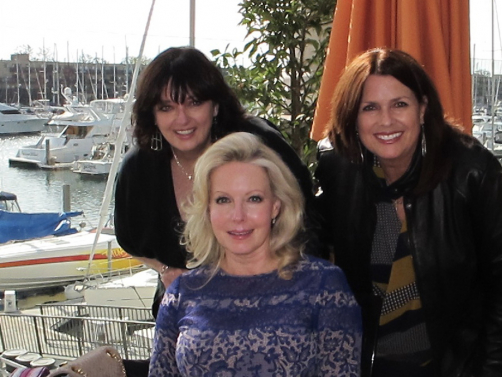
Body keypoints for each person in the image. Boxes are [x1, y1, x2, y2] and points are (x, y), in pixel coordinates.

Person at [114, 46, 322, 376]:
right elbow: (130, 240)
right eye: (166, 107)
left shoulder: (258, 146)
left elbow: (311, 227)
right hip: (189, 329)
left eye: (194, 102)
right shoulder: (139, 170)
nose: (181, 119)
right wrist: (165, 269)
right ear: (152, 115)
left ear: (215, 106)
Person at [314, 47, 502, 377]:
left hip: (456, 365)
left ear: (423, 108)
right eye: (369, 108)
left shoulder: (473, 173)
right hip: (366, 363)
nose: (386, 120)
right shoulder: (338, 167)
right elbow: (305, 244)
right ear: (352, 117)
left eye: (400, 104)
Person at [148, 132, 362, 376]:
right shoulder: (181, 295)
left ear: (276, 206)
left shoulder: (324, 287)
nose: (238, 216)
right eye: (223, 200)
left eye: (253, 199)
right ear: (207, 209)